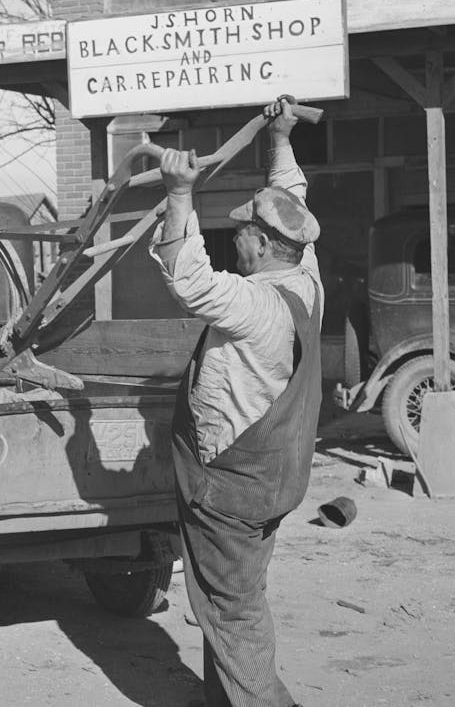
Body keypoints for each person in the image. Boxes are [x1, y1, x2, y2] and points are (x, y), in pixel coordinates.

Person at [149, 97, 323, 707]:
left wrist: (178, 194)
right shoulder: (307, 277)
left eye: (244, 234)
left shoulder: (256, 304)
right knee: (227, 595)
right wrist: (278, 137)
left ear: (265, 244)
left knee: (231, 609)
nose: (238, 241)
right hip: (273, 480)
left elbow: (189, 278)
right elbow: (290, 192)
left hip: (232, 488)